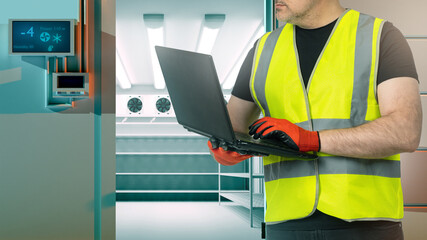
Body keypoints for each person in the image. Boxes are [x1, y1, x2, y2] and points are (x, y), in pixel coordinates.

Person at [208, 0, 422, 239]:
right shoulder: (262, 49)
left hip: (366, 222)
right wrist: (224, 146)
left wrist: (311, 140)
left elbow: (405, 131)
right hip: (285, 220)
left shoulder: (379, 36)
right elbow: (233, 126)